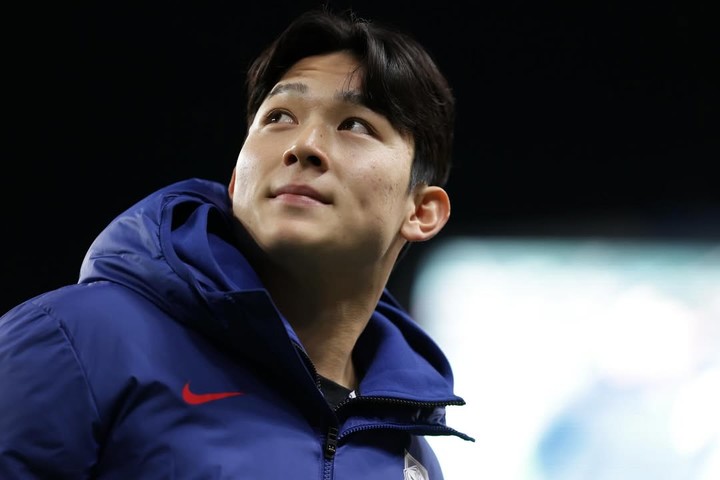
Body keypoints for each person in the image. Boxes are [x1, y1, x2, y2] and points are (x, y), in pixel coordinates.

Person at [0, 7, 473, 479]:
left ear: (421, 211)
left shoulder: (410, 457)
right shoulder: (75, 340)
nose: (303, 145)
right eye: (279, 117)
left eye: (355, 125)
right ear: (235, 183)